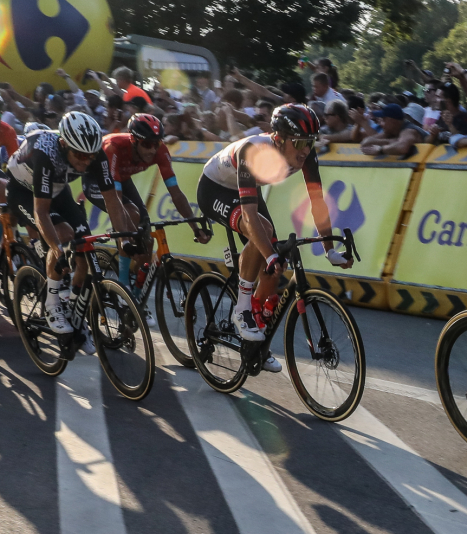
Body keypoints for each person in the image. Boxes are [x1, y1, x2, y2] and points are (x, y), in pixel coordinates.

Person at [196, 104, 352, 369]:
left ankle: (256, 346)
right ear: (279, 139)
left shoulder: (305, 153)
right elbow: (249, 216)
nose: (305, 149)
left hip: (247, 189)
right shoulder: (253, 151)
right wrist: (268, 255)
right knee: (266, 237)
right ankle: (242, 310)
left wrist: (329, 250)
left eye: (310, 142)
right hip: (215, 189)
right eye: (299, 142)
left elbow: (317, 201)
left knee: (274, 268)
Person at [7, 112, 127, 348]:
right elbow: (41, 211)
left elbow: (112, 199)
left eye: (91, 156)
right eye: (80, 155)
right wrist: (57, 249)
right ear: (64, 144)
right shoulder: (45, 152)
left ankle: (75, 311)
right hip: (23, 191)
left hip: (57, 188)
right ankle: (52, 305)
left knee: (85, 248)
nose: (86, 162)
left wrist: (124, 239)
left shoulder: (94, 153)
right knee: (62, 235)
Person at [86, 114, 210, 325]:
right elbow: (115, 201)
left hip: (123, 180)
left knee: (147, 242)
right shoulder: (113, 147)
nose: (152, 149)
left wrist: (194, 226)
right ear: (134, 140)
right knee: (130, 215)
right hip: (98, 180)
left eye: (156, 143)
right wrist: (125, 238)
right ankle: (123, 285)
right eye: (147, 144)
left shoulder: (160, 151)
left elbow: (176, 193)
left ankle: (137, 299)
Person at [360, 104, 425, 156]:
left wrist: (380, 149)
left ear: (392, 121)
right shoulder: (391, 131)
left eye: (383, 119)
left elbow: (402, 148)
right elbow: (366, 142)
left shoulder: (409, 130)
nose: (381, 124)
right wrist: (392, 141)